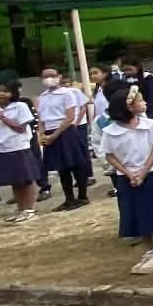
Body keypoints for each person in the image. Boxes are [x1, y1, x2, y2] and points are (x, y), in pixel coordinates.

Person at [101, 84, 153, 276]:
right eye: (139, 101)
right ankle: (149, 250)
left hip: (150, 175)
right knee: (138, 215)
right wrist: (128, 173)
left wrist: (144, 171)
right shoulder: (110, 131)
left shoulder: (149, 125)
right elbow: (110, 156)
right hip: (127, 178)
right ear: (128, 107)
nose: (144, 103)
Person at [35, 66, 94, 211]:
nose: (49, 78)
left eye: (52, 75)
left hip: (65, 131)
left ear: (59, 76)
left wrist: (54, 135)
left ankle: (82, 196)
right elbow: (42, 119)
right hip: (50, 132)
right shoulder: (42, 97)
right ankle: (69, 198)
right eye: (45, 76)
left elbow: (70, 116)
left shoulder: (67, 93)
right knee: (62, 168)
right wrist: (42, 135)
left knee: (75, 164)